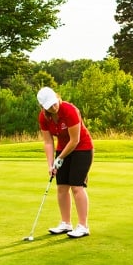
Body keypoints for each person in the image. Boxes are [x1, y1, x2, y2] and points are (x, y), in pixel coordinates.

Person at [36, 86, 94, 238]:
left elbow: (75, 140)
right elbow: (48, 142)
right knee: (62, 187)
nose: (54, 107)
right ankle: (65, 223)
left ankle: (83, 226)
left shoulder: (69, 110)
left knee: (76, 186)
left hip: (82, 148)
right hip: (62, 149)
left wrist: (59, 159)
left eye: (54, 102)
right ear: (43, 107)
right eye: (49, 105)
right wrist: (50, 164)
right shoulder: (44, 118)